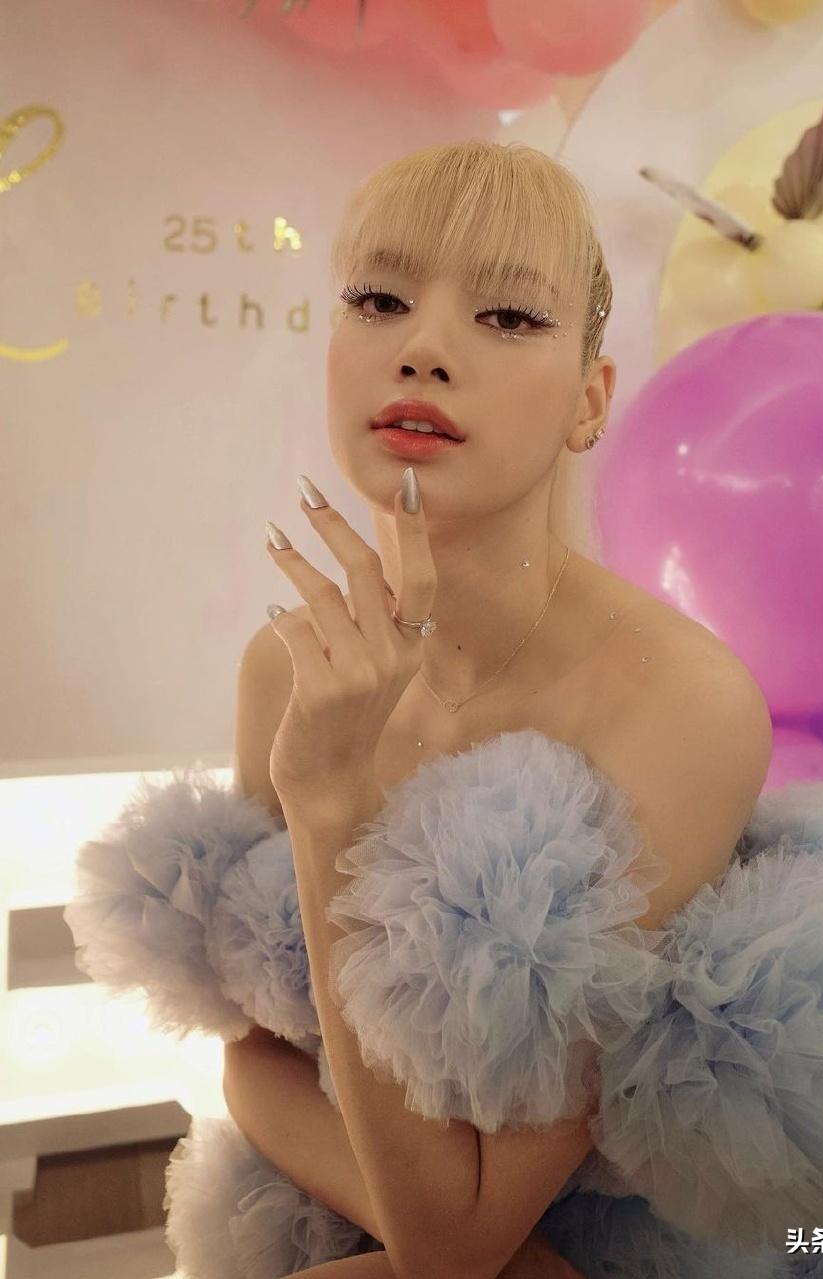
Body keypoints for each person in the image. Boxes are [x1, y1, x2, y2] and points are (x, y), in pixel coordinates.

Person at [225, 138, 772, 1277]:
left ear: (589, 400)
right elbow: (256, 1061)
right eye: (379, 300)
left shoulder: (682, 703)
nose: (422, 348)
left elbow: (464, 1237)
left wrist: (330, 802)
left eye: (509, 316)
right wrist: (425, 1237)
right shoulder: (290, 667)